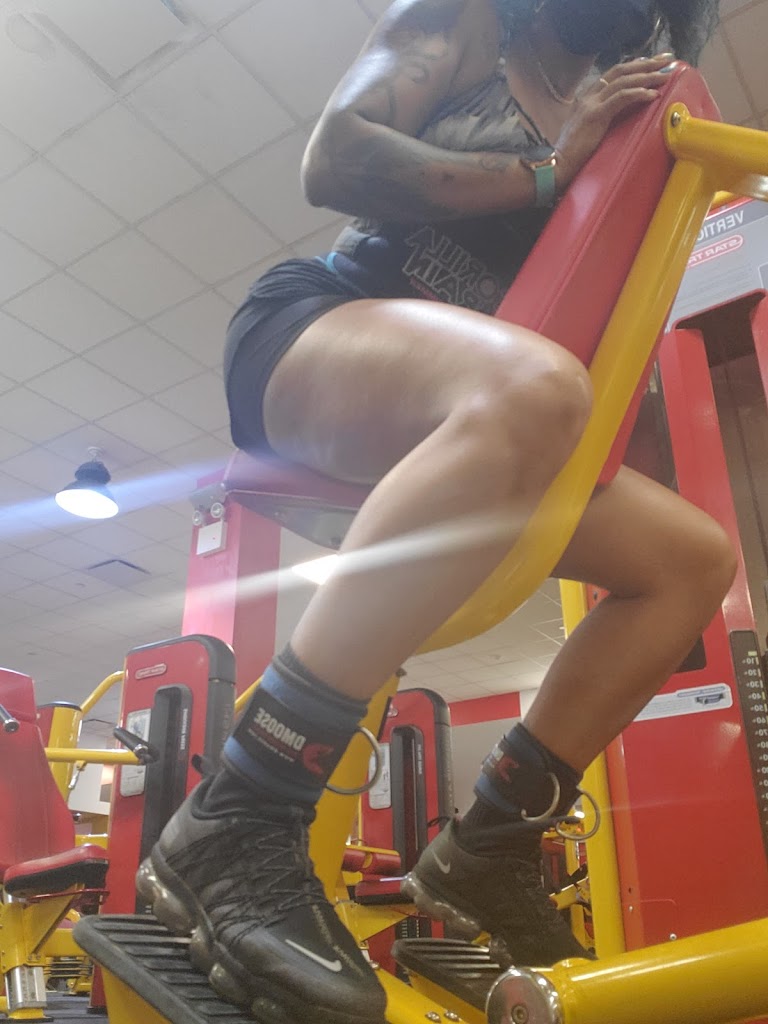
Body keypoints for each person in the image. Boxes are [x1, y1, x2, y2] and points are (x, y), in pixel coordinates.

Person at [138, 1, 727, 1022]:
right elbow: (335, 158)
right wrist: (545, 170)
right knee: (536, 389)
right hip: (316, 336)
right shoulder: (464, 23)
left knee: (691, 559)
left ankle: (490, 844)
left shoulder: (625, 97)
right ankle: (239, 813)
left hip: (481, 413)